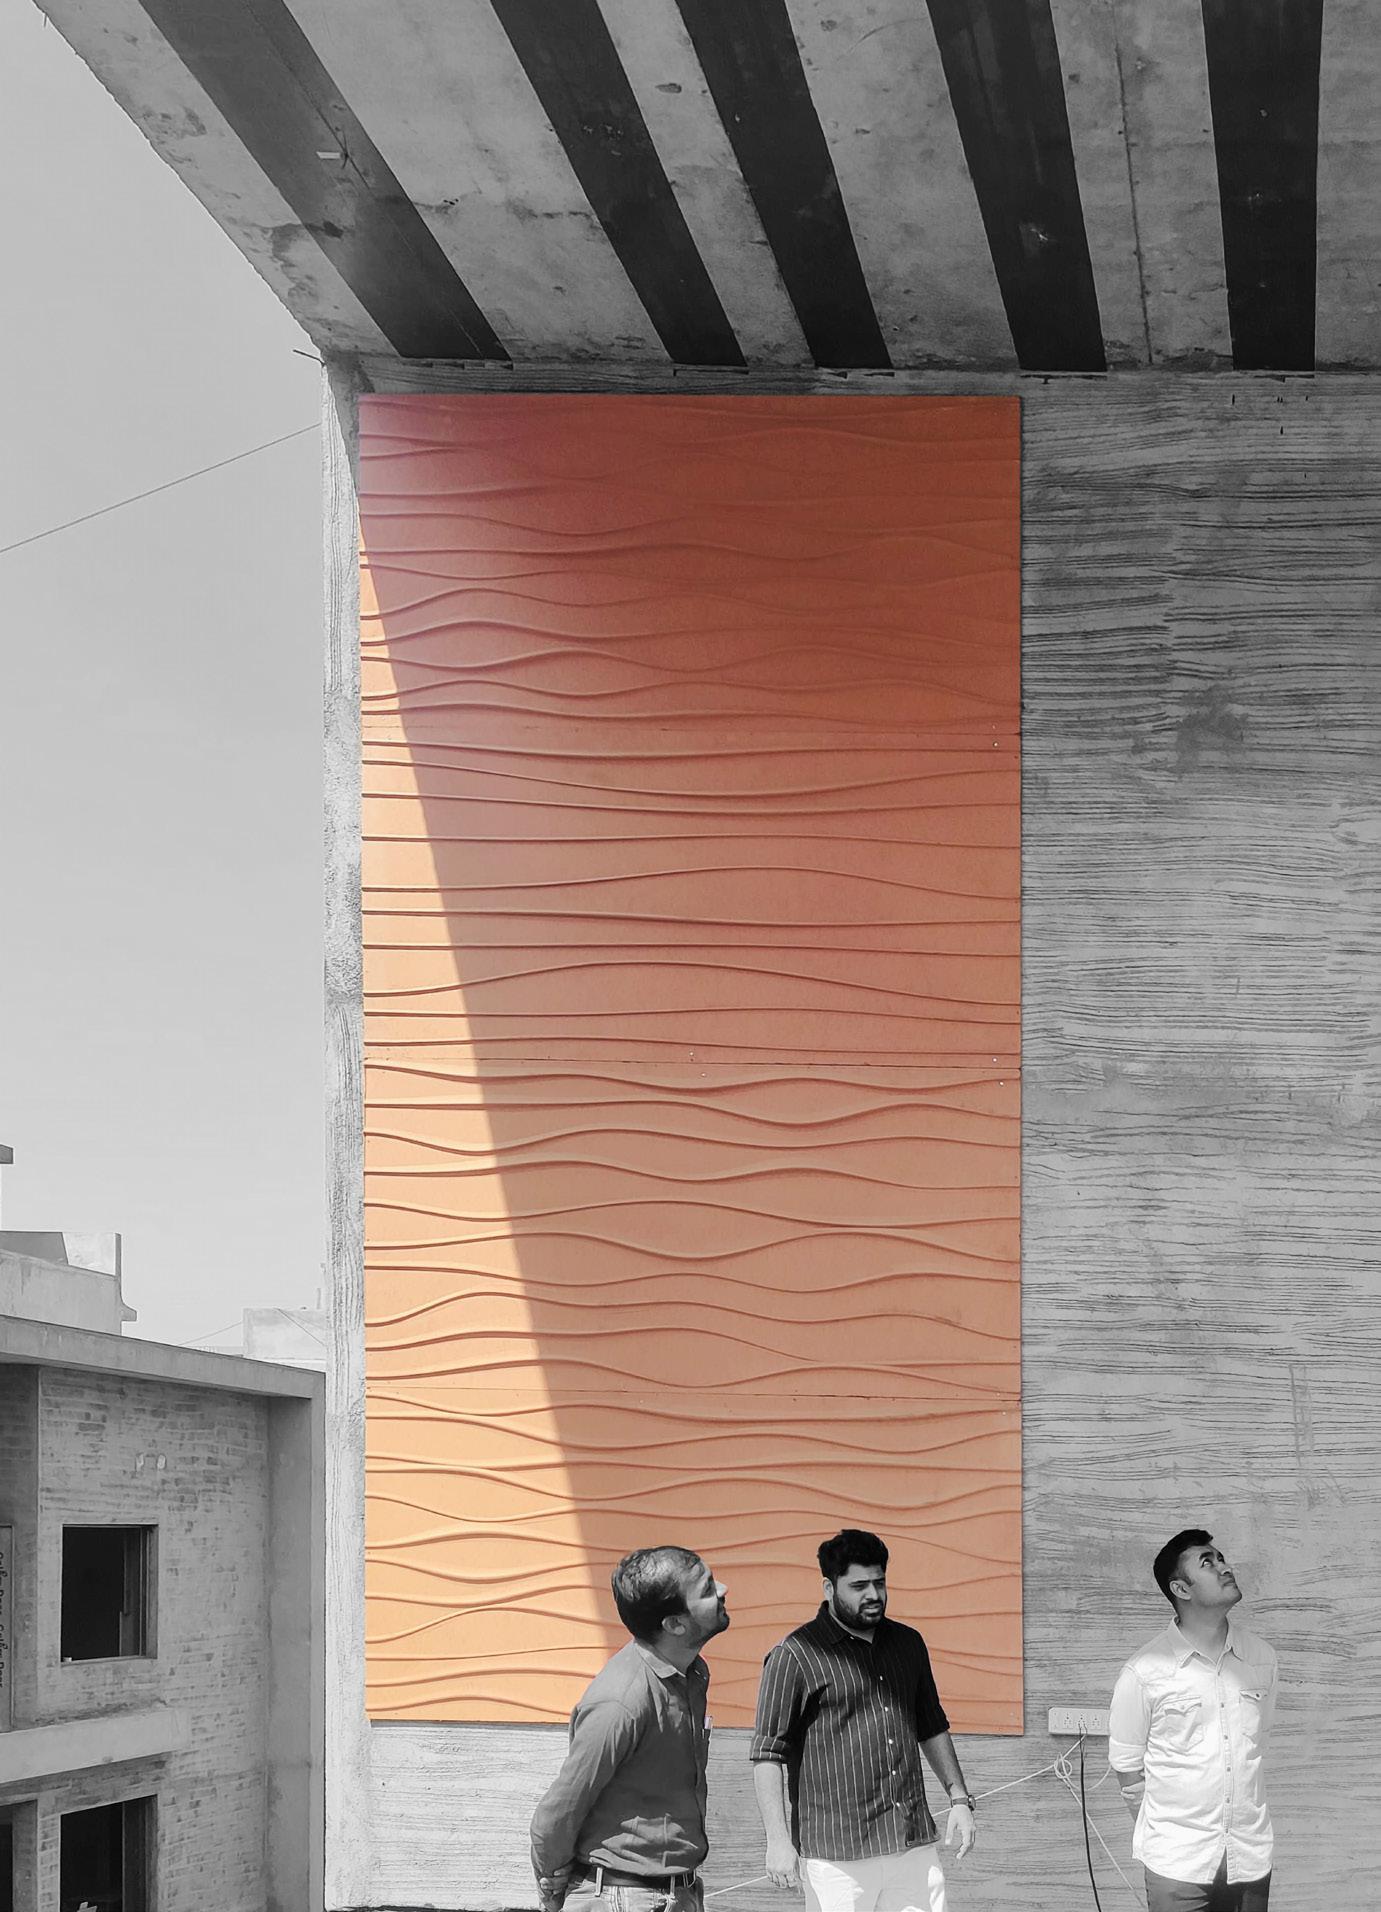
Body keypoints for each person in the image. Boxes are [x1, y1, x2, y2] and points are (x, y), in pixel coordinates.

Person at [750, 1528, 976, 1912]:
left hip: (911, 1844)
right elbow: (767, 1754)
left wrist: (959, 1799)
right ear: (829, 1587)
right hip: (837, 1857)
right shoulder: (795, 1655)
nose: (873, 1594)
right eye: (858, 1586)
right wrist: (777, 1841)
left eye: (879, 1583)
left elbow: (932, 1725)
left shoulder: (908, 1644)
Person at [530, 1546, 729, 1912]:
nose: (723, 1590)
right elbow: (559, 1810)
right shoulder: (621, 1701)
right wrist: (552, 1886)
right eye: (707, 1588)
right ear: (674, 1624)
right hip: (625, 1897)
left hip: (674, 1892)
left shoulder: (690, 1672)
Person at [1109, 1528, 1277, 1912]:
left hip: (1249, 1855)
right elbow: (1127, 1768)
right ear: (1181, 1589)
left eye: (1221, 1558)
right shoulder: (1144, 1671)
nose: (1224, 1567)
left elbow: (1257, 1744)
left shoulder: (1261, 1658)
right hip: (1177, 1862)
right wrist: (1169, 1831)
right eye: (1207, 1562)